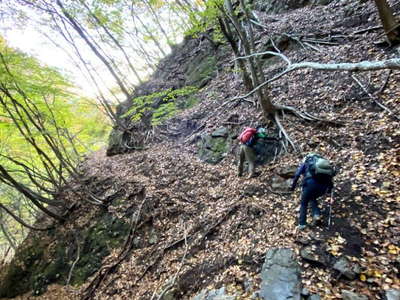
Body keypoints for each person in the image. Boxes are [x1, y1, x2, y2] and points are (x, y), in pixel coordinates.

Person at [291, 153, 334, 230]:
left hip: (310, 185)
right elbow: (330, 179)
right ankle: (316, 215)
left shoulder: (306, 163)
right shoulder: (322, 165)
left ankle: (302, 224)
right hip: (323, 187)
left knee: (304, 203)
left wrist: (293, 187)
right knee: (313, 198)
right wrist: (329, 190)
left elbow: (297, 175)